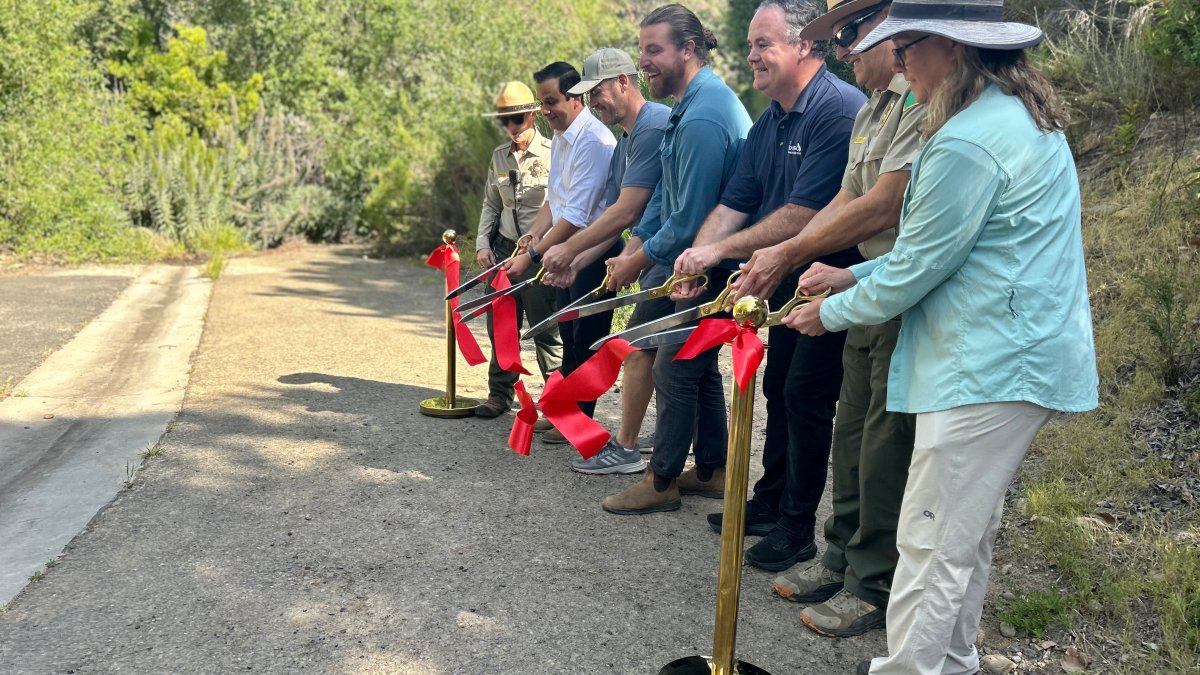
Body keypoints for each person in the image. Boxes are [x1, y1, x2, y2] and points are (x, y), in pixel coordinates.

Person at [785, 2, 1099, 672]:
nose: (899, 63)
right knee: (961, 537)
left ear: (952, 49)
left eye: (906, 49)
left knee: (930, 545)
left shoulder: (964, 141)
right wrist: (851, 277)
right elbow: (947, 249)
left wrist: (830, 311)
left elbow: (923, 264)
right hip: (1011, 357)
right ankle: (951, 662)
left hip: (988, 363)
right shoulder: (1009, 119)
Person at [728, 0, 926, 638]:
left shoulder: (919, 105)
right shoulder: (874, 108)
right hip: (861, 284)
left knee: (882, 446)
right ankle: (839, 557)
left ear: (889, 31)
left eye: (851, 34)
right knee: (851, 436)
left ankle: (871, 585)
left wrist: (788, 251)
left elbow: (883, 205)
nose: (843, 50)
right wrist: (786, 255)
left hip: (898, 292)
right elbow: (847, 195)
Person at [671, 0, 866, 576]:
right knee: (778, 387)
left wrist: (717, 251)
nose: (750, 55)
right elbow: (737, 200)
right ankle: (772, 500)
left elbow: (803, 213)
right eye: (752, 44)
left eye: (763, 43)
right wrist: (696, 256)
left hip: (831, 283)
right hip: (783, 284)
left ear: (806, 44)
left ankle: (798, 527)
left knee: (805, 398)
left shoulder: (836, 110)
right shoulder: (770, 119)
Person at [600, 3, 752, 515]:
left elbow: (690, 220)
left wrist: (640, 259)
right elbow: (667, 197)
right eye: (642, 50)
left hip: (712, 266)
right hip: (689, 260)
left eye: (654, 50)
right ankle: (711, 469)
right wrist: (634, 251)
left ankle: (661, 479)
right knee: (693, 365)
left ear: (688, 49)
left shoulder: (705, 115)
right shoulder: (689, 106)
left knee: (676, 364)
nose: (645, 61)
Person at [535, 48, 672, 475]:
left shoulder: (642, 129)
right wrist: (570, 258)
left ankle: (613, 437)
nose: (593, 102)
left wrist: (568, 252)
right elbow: (604, 214)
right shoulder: (624, 139)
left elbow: (621, 212)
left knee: (639, 351)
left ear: (624, 82)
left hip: (663, 253)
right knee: (664, 360)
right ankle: (679, 450)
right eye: (588, 94)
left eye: (596, 92)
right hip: (636, 250)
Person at [506, 62, 619, 440]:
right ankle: (564, 413)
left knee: (586, 340)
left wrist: (532, 257)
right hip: (565, 249)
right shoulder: (563, 137)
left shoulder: (593, 141)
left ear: (575, 97)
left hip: (594, 250)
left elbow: (577, 214)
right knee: (568, 334)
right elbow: (554, 202)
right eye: (542, 103)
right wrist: (532, 237)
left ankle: (579, 421)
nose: (545, 110)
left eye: (551, 101)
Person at [473, 81, 563, 422]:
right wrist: (483, 243)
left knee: (546, 329)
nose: (512, 128)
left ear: (534, 116)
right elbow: (491, 204)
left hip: (539, 252)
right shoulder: (499, 156)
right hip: (504, 250)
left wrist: (548, 251)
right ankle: (499, 395)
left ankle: (556, 402)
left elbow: (563, 207)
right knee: (502, 327)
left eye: (518, 119)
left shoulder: (554, 153)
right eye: (505, 122)